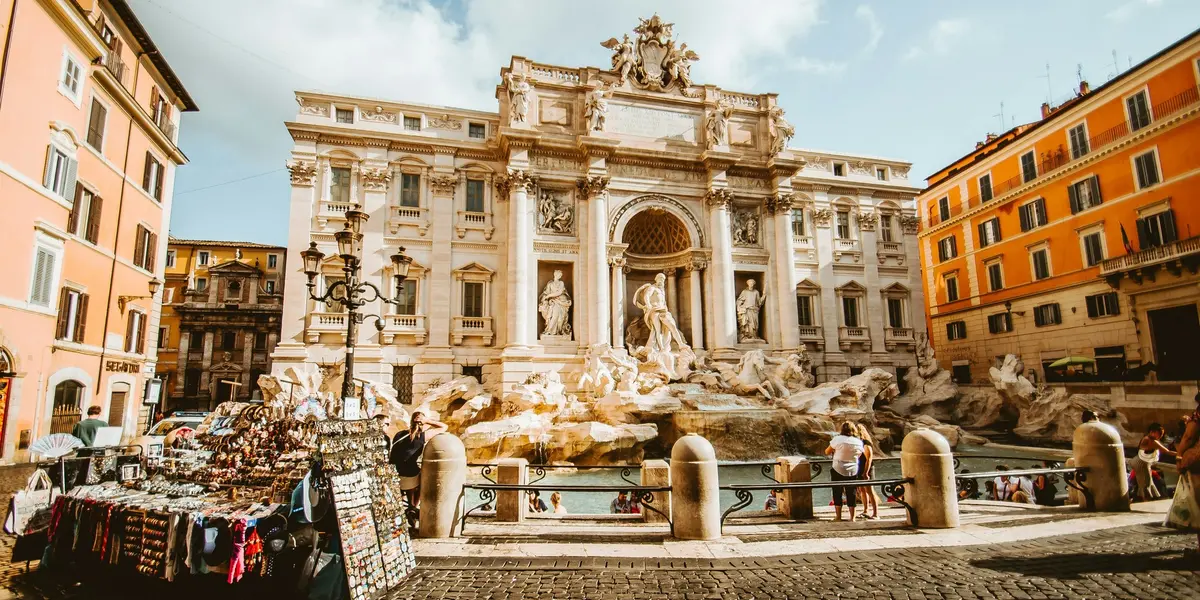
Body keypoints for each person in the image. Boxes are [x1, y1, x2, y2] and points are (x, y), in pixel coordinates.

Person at [389, 411, 448, 516]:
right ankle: (413, 506)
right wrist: (428, 421)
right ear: (424, 424)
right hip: (408, 476)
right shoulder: (422, 436)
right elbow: (444, 427)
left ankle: (409, 503)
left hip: (394, 474)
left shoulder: (399, 434)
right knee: (425, 478)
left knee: (413, 471)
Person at [1165, 392, 1200, 551]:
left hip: (1196, 464)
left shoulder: (1196, 419)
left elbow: (1187, 438)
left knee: (1198, 504)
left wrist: (1179, 458)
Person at [824, 422, 864, 522]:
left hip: (838, 468)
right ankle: (852, 517)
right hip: (853, 469)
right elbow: (859, 455)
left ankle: (838, 516)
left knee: (837, 492)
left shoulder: (837, 439)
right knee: (852, 493)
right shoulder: (858, 441)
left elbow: (827, 451)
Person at [1132, 423, 1176, 501]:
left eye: (1162, 434)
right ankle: (1146, 500)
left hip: (1141, 464)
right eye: (1160, 434)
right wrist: (1181, 454)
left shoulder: (1146, 438)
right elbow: (1167, 452)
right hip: (1142, 465)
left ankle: (1144, 499)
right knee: (1147, 484)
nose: (1161, 436)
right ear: (1153, 432)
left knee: (1146, 484)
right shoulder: (1151, 441)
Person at [854, 423, 880, 520]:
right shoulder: (859, 443)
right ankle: (866, 510)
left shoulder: (866, 443)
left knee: (870, 491)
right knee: (862, 491)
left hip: (866, 470)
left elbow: (869, 459)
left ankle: (876, 513)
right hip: (860, 469)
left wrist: (866, 472)